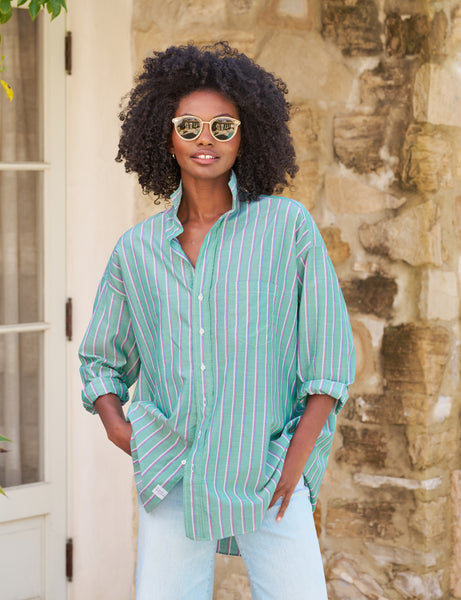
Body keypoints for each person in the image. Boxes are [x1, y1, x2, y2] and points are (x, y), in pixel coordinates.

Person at [79, 42, 355, 600]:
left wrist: (293, 466)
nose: (206, 139)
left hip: (268, 467)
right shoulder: (136, 250)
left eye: (223, 126)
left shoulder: (286, 228)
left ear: (245, 135)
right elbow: (101, 360)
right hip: (172, 472)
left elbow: (329, 360)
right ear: (167, 136)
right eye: (190, 126)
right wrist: (120, 430)